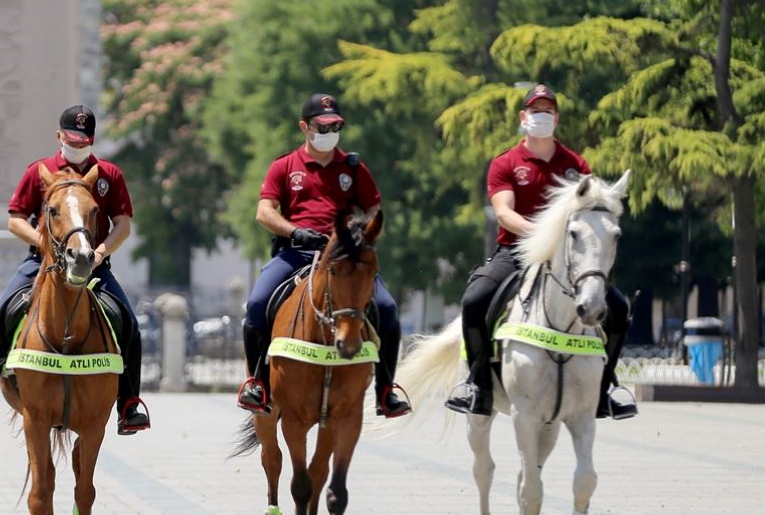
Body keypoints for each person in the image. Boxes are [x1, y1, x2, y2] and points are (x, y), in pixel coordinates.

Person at [444, 84, 637, 420]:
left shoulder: (576, 164)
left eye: (547, 111)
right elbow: (504, 213)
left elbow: (589, 212)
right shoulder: (506, 162)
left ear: (557, 118)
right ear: (524, 117)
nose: (542, 116)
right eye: (536, 111)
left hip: (568, 257)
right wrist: (541, 235)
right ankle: (477, 385)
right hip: (517, 251)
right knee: (475, 299)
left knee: (618, 307)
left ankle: (607, 389)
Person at [0, 106, 150, 435]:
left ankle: (129, 402)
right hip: (42, 263)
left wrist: (101, 253)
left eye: (83, 141)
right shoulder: (39, 171)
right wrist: (44, 244)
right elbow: (15, 219)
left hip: (92, 264)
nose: (77, 146)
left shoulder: (109, 175)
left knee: (128, 320)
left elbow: (122, 225)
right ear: (59, 135)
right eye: (71, 140)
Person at [237, 94, 411, 418]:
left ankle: (386, 390)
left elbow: (374, 209)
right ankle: (257, 383)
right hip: (295, 252)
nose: (331, 131)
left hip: (344, 256)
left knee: (386, 308)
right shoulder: (284, 165)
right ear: (305, 127)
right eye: (323, 126)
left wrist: (360, 232)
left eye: (336, 126)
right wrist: (293, 231)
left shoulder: (353, 168)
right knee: (258, 304)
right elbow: (264, 212)